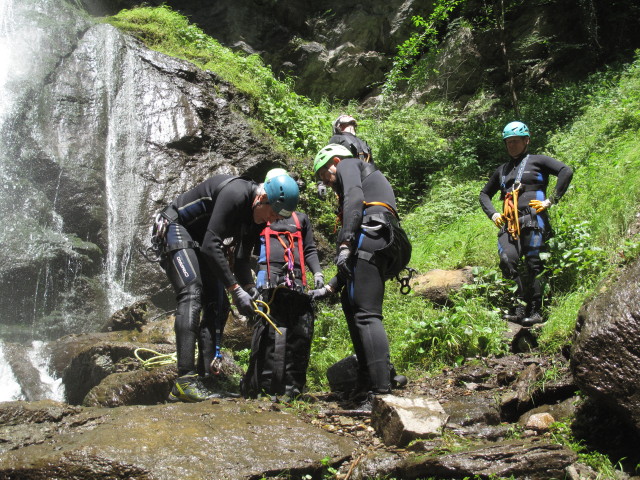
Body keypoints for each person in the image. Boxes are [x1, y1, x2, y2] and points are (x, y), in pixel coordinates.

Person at [153, 170, 299, 402]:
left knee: (218, 305)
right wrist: (235, 290)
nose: (271, 221)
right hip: (175, 227)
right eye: (271, 213)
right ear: (262, 198)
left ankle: (207, 378)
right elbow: (212, 245)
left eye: (276, 218)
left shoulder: (258, 219)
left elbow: (241, 261)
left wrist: (250, 289)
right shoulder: (236, 193)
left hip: (200, 242)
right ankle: (184, 381)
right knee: (192, 293)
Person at [310, 143, 411, 409]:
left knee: (366, 314)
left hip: (371, 236)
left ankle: (380, 393)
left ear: (333, 161)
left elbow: (354, 197)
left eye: (324, 175)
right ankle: (373, 379)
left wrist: (344, 242)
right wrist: (330, 288)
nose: (327, 183)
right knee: (350, 304)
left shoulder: (348, 164)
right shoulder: (363, 177)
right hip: (379, 239)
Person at [479, 121, 573, 326]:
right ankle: (519, 308)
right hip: (509, 223)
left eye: (515, 141)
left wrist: (550, 201)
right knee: (507, 259)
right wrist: (493, 214)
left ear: (526, 140)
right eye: (508, 142)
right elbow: (484, 194)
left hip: (533, 218)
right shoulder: (502, 170)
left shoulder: (538, 161)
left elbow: (566, 170)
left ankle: (536, 311)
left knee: (534, 263)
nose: (511, 145)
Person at [241, 169, 325, 399]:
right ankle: (265, 383)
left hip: (295, 279)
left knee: (297, 332)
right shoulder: (260, 217)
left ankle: (291, 386)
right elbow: (245, 250)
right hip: (267, 279)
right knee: (267, 331)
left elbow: (308, 249)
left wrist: (317, 273)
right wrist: (250, 285)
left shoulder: (301, 219)